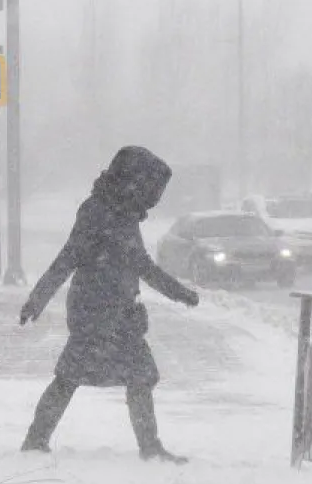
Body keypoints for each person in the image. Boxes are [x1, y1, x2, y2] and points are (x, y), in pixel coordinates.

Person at [18, 146, 202, 463]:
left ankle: (150, 447)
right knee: (71, 376)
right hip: (94, 309)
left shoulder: (124, 213)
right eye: (152, 188)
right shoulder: (97, 211)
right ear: (134, 181)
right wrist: (38, 299)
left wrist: (178, 292)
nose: (155, 197)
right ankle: (36, 440)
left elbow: (139, 263)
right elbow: (68, 257)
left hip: (121, 311)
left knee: (138, 376)